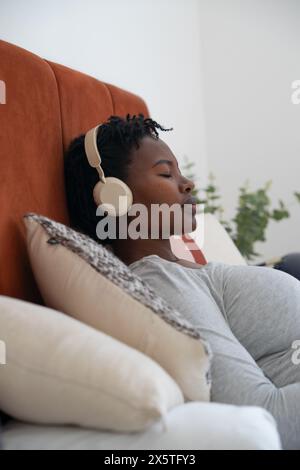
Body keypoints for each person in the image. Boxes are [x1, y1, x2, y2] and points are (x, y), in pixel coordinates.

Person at [65, 114, 300, 449]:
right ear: (115, 196)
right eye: (165, 173)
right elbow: (262, 415)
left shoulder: (187, 268)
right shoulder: (159, 282)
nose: (188, 183)